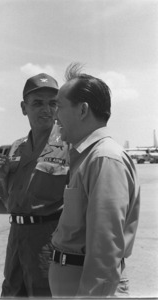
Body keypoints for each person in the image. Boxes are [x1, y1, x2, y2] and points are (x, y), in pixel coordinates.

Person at [49, 63, 140, 297]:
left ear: (82, 110)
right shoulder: (87, 157)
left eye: (59, 106)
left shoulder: (104, 159)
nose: (54, 115)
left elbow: (104, 251)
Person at [0, 73, 69, 297]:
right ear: (24, 108)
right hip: (16, 235)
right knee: (12, 291)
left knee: (43, 293)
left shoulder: (68, 145)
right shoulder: (16, 147)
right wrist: (3, 177)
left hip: (47, 238)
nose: (46, 109)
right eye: (37, 103)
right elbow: (8, 200)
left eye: (52, 103)